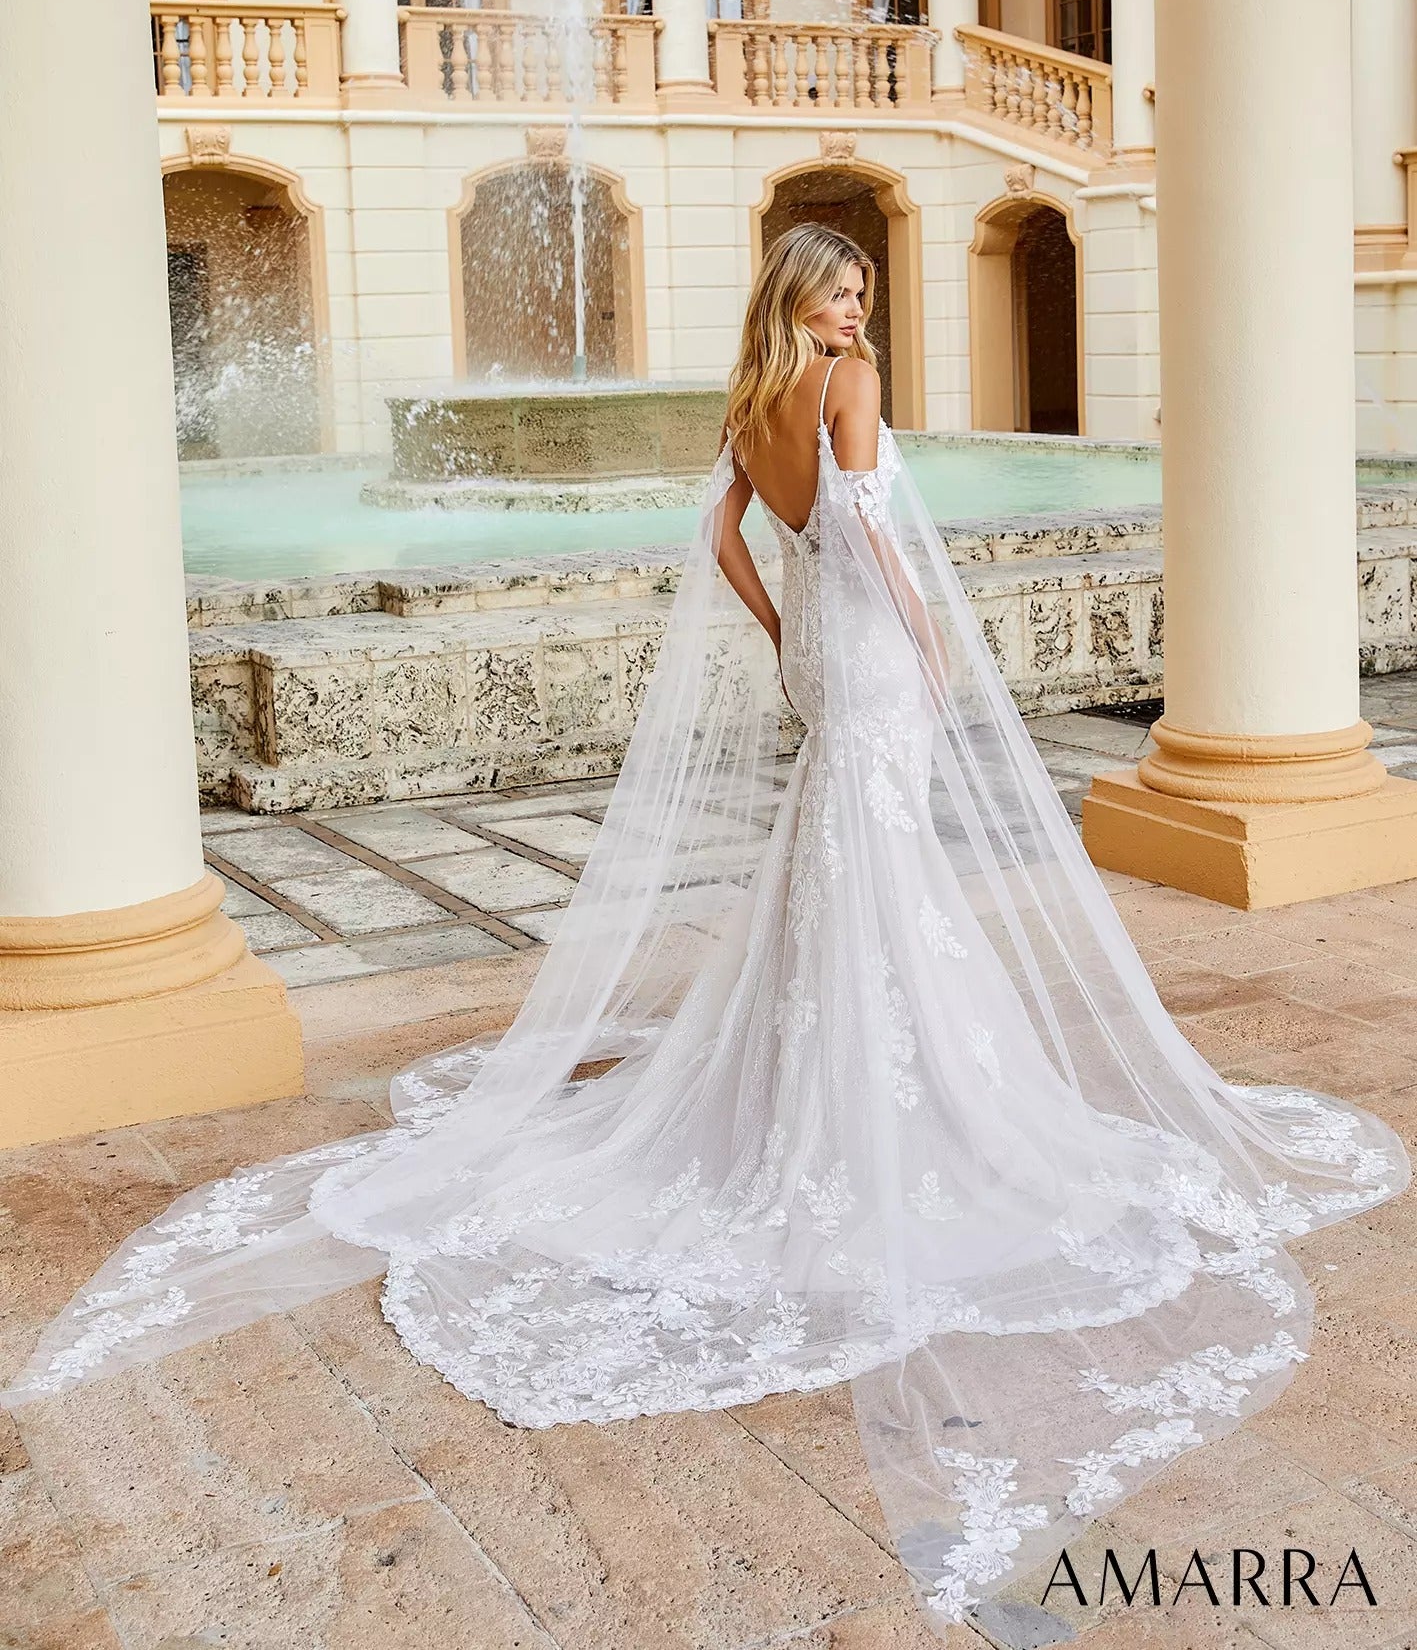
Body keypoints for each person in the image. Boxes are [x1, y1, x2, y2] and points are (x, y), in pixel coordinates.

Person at [4, 223, 1407, 1631]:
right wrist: (928, 646)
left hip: (814, 643)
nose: (855, 311)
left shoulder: (749, 403)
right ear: (800, 303)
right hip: (868, 650)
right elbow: (871, 533)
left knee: (843, 855)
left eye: (861, 291)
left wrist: (782, 628)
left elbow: (724, 532)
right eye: (837, 293)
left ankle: (840, 1050)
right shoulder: (846, 388)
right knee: (881, 851)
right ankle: (891, 1072)